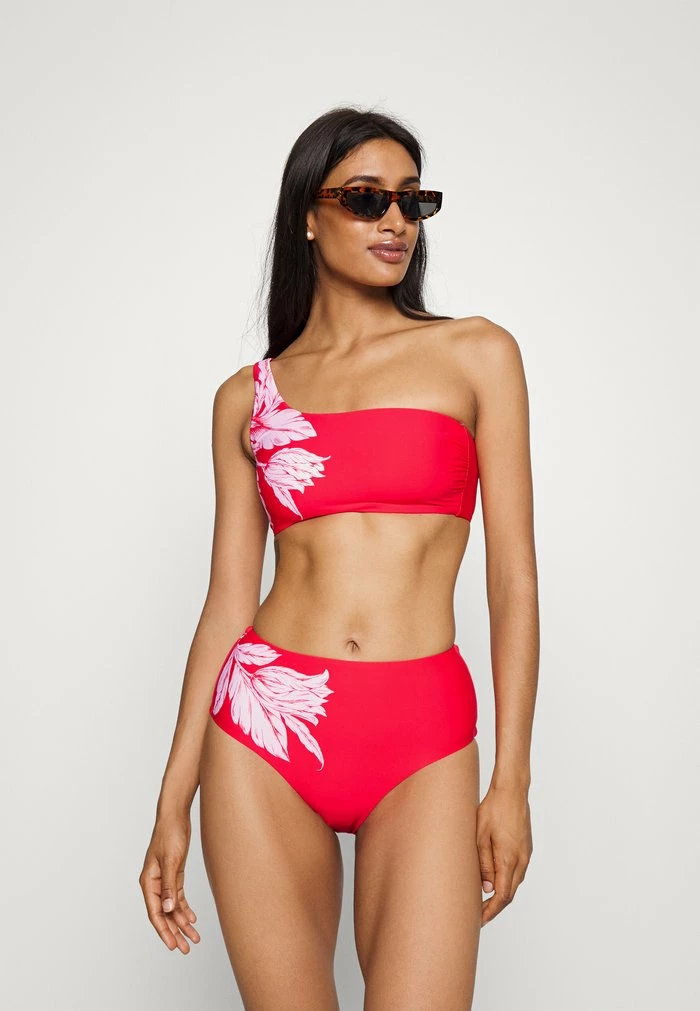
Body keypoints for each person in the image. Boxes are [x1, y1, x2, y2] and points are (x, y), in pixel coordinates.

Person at [140, 105, 539, 1010]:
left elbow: (513, 580)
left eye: (412, 200)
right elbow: (227, 601)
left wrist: (512, 777)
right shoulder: (248, 399)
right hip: (262, 732)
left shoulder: (476, 355)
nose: (395, 220)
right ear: (308, 218)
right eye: (366, 199)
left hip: (422, 731)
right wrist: (173, 795)